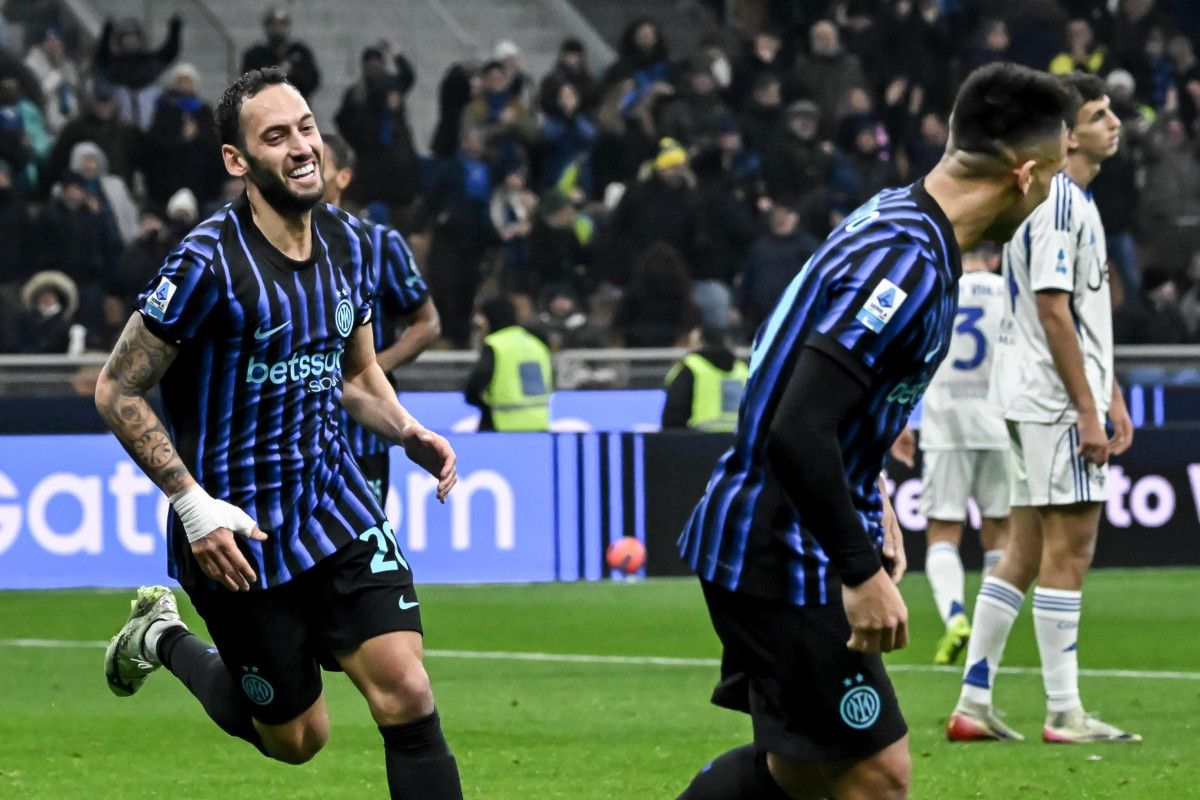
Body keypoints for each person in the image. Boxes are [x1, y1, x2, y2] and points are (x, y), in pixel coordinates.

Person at [674, 62, 1071, 800]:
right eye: (1053, 177)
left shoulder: (897, 219)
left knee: (803, 770)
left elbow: (787, 361)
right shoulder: (907, 260)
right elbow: (798, 425)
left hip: (775, 533)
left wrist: (871, 490)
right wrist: (859, 572)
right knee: (878, 775)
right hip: (784, 548)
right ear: (1024, 175)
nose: (1051, 195)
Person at [95, 68, 464, 799]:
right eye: (275, 136)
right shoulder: (206, 263)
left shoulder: (351, 245)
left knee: (407, 690)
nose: (301, 147)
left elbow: (355, 373)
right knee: (297, 740)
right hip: (236, 530)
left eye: (305, 128)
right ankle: (161, 638)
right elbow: (117, 388)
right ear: (237, 160)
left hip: (334, 501)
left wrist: (406, 429)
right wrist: (193, 506)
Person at [948, 72, 1138, 745]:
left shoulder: (1059, 199)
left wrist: (1109, 391)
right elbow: (1054, 309)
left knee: (1022, 553)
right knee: (1071, 550)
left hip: (1031, 393)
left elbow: (1076, 313)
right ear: (1068, 135)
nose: (1114, 122)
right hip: (1053, 401)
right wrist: (1087, 409)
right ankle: (1064, 711)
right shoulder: (1060, 203)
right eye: (1098, 114)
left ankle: (973, 701)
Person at [889, 244, 1011, 667]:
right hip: (1000, 425)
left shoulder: (940, 290)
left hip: (945, 426)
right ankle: (989, 633)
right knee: (1000, 533)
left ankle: (956, 616)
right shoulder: (1009, 292)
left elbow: (907, 356)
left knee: (943, 531)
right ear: (995, 258)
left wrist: (899, 420)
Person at [322, 133, 441, 506]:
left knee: (362, 535)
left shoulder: (378, 243)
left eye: (316, 161)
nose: (302, 168)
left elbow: (427, 323)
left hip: (363, 433)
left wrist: (369, 367)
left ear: (343, 177)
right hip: (295, 435)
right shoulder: (270, 249)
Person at [464, 295, 553, 432]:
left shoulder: (496, 344)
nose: (478, 321)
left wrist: (485, 407)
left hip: (503, 425)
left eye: (481, 315)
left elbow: (474, 388)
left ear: (492, 316)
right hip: (539, 424)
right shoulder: (536, 344)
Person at [661, 326, 748, 433]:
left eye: (691, 343)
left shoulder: (691, 367)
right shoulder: (742, 369)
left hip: (699, 439)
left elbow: (674, 413)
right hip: (739, 438)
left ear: (700, 344)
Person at [240, 6, 320, 99]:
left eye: (281, 24)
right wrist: (274, 72)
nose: (277, 29)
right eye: (273, 25)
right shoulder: (255, 55)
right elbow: (247, 83)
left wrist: (292, 72)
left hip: (295, 103)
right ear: (266, 27)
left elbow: (312, 82)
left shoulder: (301, 52)